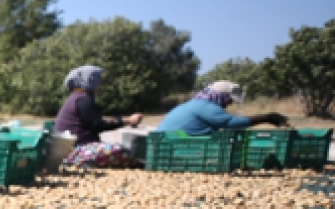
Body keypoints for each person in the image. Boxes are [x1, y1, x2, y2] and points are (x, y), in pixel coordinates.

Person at [53, 65, 144, 169]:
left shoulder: (76, 98)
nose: (100, 83)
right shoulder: (83, 100)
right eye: (98, 80)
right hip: (76, 151)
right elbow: (98, 125)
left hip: (70, 151)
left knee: (115, 149)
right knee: (119, 151)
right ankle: (85, 162)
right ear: (89, 81)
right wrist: (127, 120)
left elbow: (95, 121)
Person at [158, 81, 288, 136]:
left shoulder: (197, 103)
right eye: (229, 99)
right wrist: (267, 118)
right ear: (221, 96)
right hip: (176, 143)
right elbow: (231, 123)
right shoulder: (205, 106)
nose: (230, 103)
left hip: (173, 139)